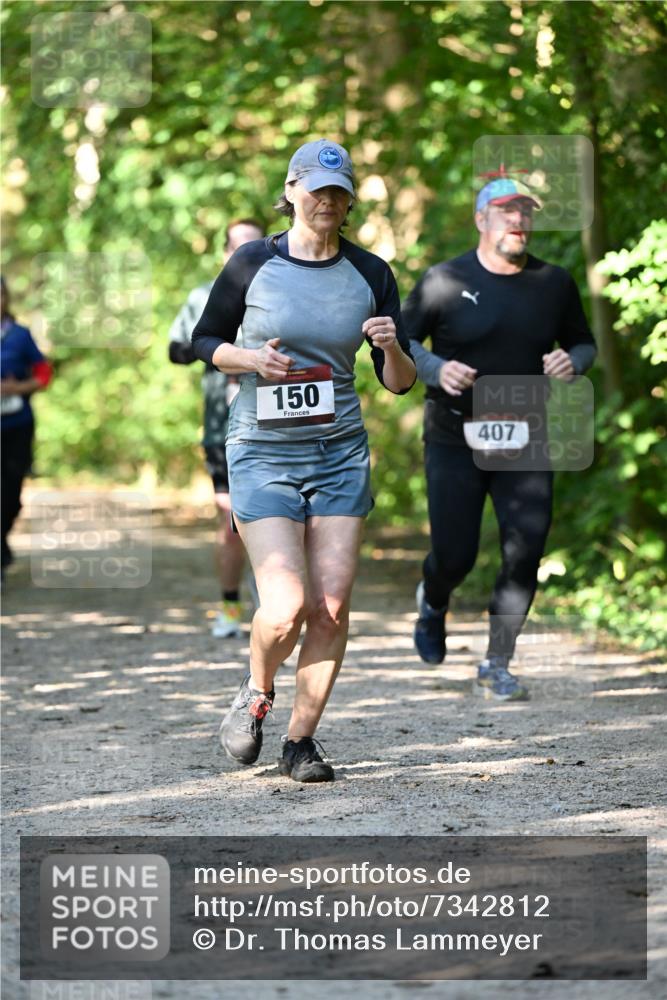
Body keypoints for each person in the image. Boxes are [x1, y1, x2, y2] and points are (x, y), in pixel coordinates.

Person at [191, 139, 416, 782]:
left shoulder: (371, 274)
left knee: (332, 606)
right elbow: (205, 340)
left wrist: (391, 346)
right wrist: (249, 359)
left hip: (339, 451)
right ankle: (257, 689)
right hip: (261, 449)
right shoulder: (251, 262)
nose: (327, 201)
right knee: (286, 604)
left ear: (350, 202)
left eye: (339, 192)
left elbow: (399, 382)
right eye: (317, 190)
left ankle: (300, 742)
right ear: (291, 191)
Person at [403, 171, 597, 700]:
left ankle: (497, 663)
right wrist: (435, 368)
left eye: (525, 212)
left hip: (525, 437)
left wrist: (573, 362)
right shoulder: (444, 279)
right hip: (454, 437)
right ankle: (433, 601)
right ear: (480, 220)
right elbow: (400, 342)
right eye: (507, 211)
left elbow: (583, 342)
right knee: (455, 555)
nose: (518, 220)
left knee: (524, 550)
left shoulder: (553, 282)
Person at [168, 219, 264, 637]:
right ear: (225, 252)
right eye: (237, 247)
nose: (245, 254)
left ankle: (274, 604)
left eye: (254, 245)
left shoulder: (286, 291)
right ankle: (229, 608)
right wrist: (219, 349)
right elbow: (175, 350)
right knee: (231, 522)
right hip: (221, 427)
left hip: (281, 426)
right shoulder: (203, 296)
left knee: (283, 521)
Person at [1, 275, 53, 578]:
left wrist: (17, 388)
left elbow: (44, 374)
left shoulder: (20, 336)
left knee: (10, 493)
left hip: (16, 424)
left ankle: (2, 535)